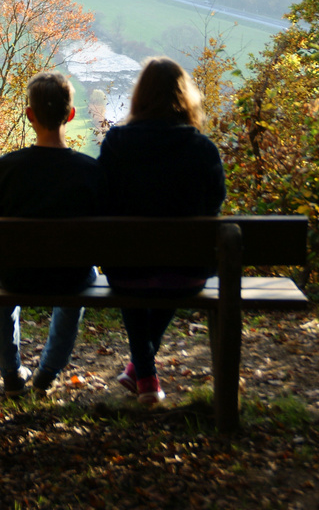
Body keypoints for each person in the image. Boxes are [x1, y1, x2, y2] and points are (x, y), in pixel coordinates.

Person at [99, 56, 225, 405]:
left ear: (140, 96)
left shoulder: (117, 142)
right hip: (188, 273)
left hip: (127, 272)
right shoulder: (203, 148)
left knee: (133, 268)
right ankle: (143, 374)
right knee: (174, 267)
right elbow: (214, 205)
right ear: (186, 98)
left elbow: (101, 199)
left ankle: (144, 377)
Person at [0, 70, 106, 397]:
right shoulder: (91, 172)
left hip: (16, 278)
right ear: (71, 114)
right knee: (84, 271)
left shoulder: (5, 168)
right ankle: (48, 372)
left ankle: (11, 372)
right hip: (71, 278)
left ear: (29, 115)